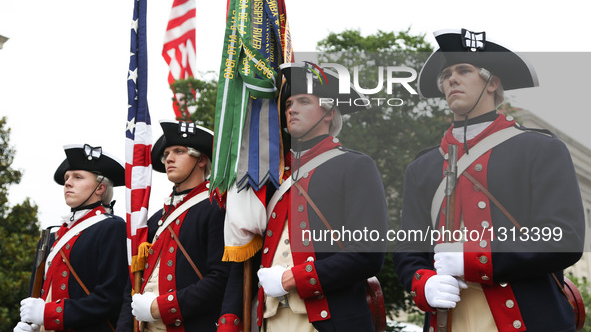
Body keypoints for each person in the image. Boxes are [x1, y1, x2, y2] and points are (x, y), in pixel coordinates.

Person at [392, 29, 585, 331]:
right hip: (449, 320)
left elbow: (564, 238)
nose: (451, 79)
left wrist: (474, 259)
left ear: (492, 82)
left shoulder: (540, 148)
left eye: (464, 70)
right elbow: (409, 249)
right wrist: (423, 283)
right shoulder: (423, 166)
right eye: (446, 75)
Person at [217, 62, 388, 332]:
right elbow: (244, 255)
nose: (291, 109)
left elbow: (368, 254)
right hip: (269, 320)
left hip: (329, 319)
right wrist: (230, 320)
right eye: (287, 105)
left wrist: (290, 279)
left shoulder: (356, 165)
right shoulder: (269, 178)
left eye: (304, 101)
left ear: (330, 113)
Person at [117, 121, 229, 332]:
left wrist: (161, 307)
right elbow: (131, 288)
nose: (169, 158)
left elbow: (220, 279)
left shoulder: (216, 207)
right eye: (166, 153)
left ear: (202, 160)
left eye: (179, 151)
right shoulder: (154, 220)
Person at [15, 144, 129, 332]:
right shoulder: (51, 237)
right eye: (67, 177)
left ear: (100, 188)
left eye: (78, 177)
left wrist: (49, 314)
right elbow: (37, 296)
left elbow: (110, 298)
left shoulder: (112, 227)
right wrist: (30, 322)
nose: (67, 182)